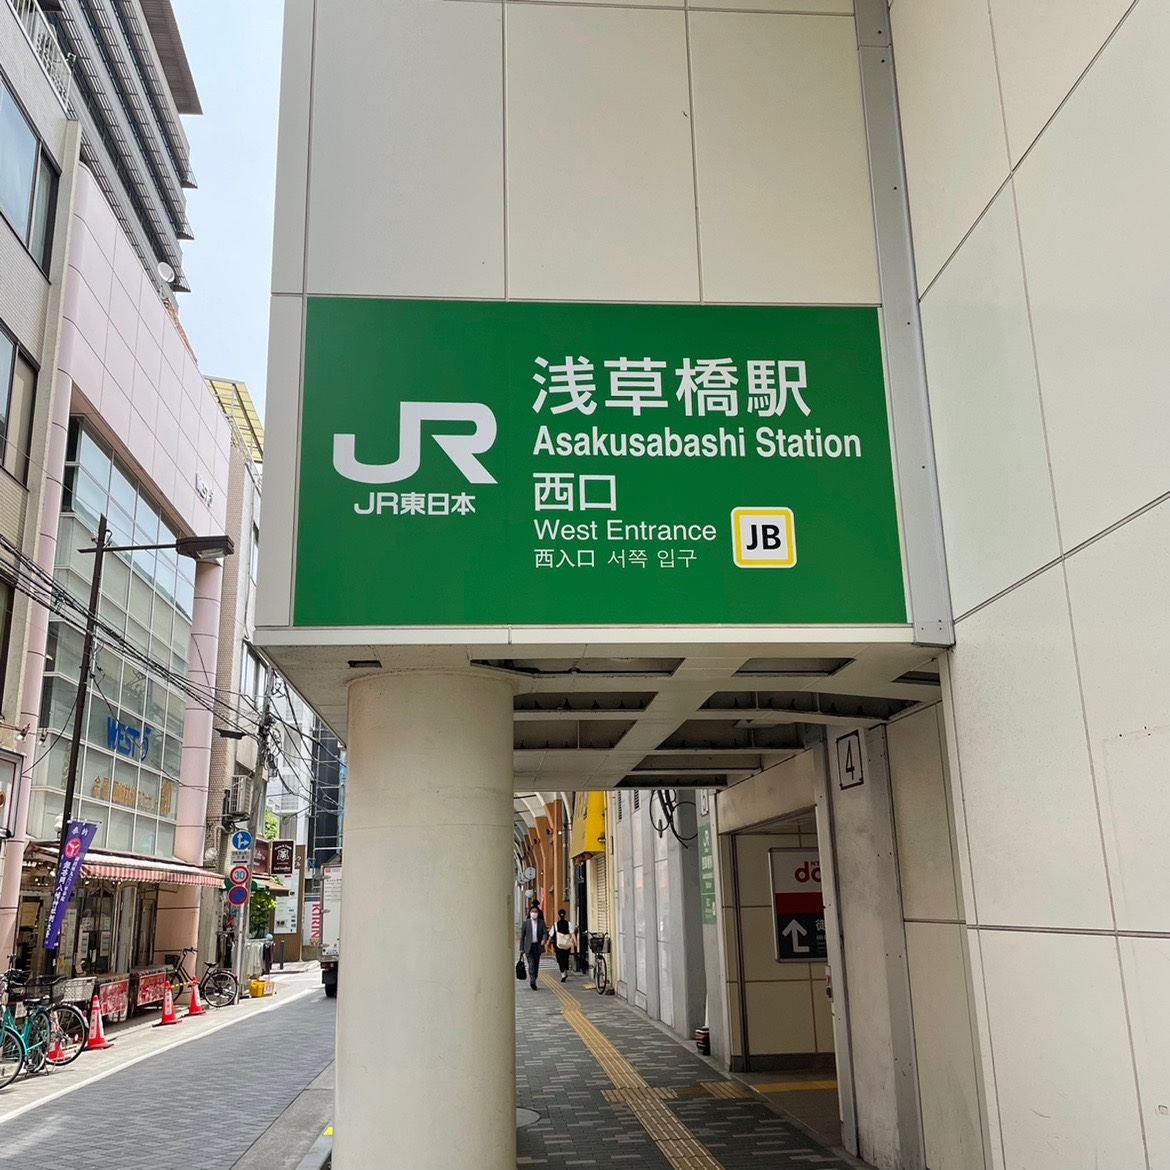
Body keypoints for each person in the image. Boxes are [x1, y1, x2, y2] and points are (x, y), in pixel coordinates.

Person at [519, 905, 548, 990]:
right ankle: (532, 981)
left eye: (535, 911)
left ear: (538, 913)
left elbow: (545, 932)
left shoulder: (541, 922)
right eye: (532, 911)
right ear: (530, 913)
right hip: (529, 946)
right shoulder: (526, 923)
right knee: (531, 964)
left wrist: (544, 939)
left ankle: (534, 977)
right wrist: (521, 948)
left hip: (537, 946)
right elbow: (522, 936)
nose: (534, 913)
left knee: (536, 964)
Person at [551, 909, 575, 982]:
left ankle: (563, 974)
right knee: (565, 958)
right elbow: (572, 933)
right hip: (567, 945)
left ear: (558, 915)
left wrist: (548, 941)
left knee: (560, 959)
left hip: (558, 945)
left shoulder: (555, 924)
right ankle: (565, 971)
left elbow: (551, 934)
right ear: (565, 915)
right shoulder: (569, 924)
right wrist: (575, 941)